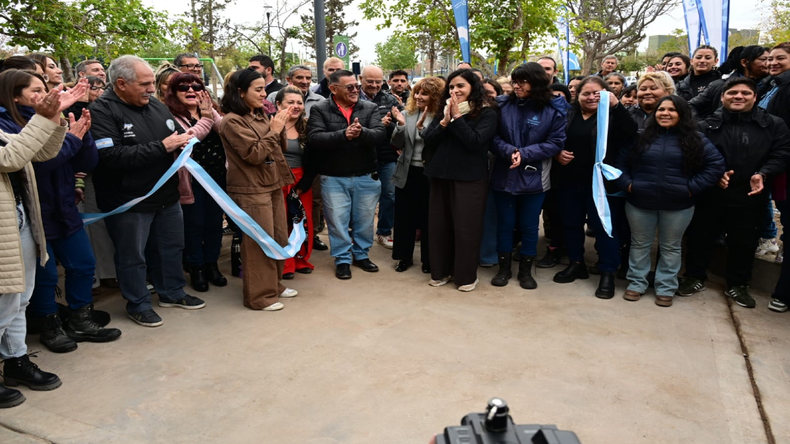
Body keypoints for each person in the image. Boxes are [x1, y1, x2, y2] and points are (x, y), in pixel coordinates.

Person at [0, 70, 121, 353]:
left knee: (83, 264)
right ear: (15, 96)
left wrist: (82, 136)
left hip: (64, 207)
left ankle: (81, 317)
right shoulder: (9, 125)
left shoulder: (51, 118)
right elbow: (34, 167)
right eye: (37, 90)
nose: (47, 95)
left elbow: (86, 162)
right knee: (45, 277)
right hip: (34, 213)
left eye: (47, 88)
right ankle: (49, 326)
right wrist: (70, 140)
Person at [89, 55, 206, 327]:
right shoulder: (102, 111)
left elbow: (175, 134)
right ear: (120, 84)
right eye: (144, 84)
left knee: (171, 247)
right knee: (133, 256)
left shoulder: (154, 104)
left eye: (152, 82)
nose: (152, 89)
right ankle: (138, 303)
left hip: (166, 195)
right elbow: (109, 157)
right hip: (128, 200)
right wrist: (163, 147)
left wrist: (182, 141)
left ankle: (172, 292)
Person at [680, 78, 790, 308]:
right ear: (722, 97)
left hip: (751, 194)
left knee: (744, 242)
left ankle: (738, 284)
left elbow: (781, 153)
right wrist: (713, 174)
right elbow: (693, 155)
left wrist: (764, 173)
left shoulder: (774, 124)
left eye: (745, 93)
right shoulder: (706, 125)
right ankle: (694, 277)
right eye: (733, 92)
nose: (738, 96)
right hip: (712, 193)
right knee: (701, 237)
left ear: (755, 97)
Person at [614, 96, 724, 307]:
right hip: (640, 202)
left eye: (672, 110)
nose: (665, 113)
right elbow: (619, 163)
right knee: (639, 244)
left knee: (671, 247)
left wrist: (691, 188)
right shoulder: (640, 137)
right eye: (661, 109)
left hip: (678, 206)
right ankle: (637, 284)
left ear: (681, 114)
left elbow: (715, 166)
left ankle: (666, 288)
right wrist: (628, 185)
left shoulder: (696, 139)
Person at [0, 77, 69, 407]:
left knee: (20, 295)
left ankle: (16, 361)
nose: (43, 93)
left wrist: (55, 116)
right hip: (4, 223)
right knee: (4, 300)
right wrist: (43, 117)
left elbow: (42, 151)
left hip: (19, 215)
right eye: (35, 89)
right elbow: (10, 158)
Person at [218, 68, 297, 310]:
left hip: (270, 183)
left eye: (264, 88)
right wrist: (275, 130)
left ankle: (273, 284)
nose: (265, 94)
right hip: (251, 189)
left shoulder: (260, 114)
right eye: (258, 89)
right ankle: (259, 297)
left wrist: (280, 126)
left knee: (278, 238)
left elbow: (276, 148)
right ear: (240, 92)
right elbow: (254, 154)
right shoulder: (232, 121)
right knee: (259, 242)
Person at [552, 76, 637, 298]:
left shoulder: (612, 115)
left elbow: (631, 132)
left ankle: (608, 272)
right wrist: (557, 153)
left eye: (596, 93)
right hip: (570, 180)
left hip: (601, 184)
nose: (591, 97)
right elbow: (553, 138)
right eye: (586, 93)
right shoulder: (567, 114)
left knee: (604, 228)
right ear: (577, 96)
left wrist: (615, 106)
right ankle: (576, 263)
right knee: (571, 224)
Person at [489, 63, 566, 289]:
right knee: (505, 224)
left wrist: (524, 154)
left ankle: (525, 270)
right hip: (504, 173)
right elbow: (492, 137)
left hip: (535, 177)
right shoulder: (502, 105)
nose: (516, 86)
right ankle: (503, 269)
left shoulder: (554, 109)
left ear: (537, 82)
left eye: (522, 81)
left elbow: (555, 142)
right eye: (514, 81)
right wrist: (510, 151)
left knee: (530, 226)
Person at [421, 69, 498, 292]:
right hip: (440, 176)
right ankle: (440, 271)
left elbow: (474, 142)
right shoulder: (443, 110)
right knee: (439, 227)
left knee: (466, 228)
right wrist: (445, 121)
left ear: (473, 87)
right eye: (452, 87)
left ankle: (465, 276)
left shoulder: (487, 112)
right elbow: (429, 140)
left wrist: (456, 118)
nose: (455, 91)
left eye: (461, 86)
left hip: (469, 179)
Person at [306, 69, 386, 279]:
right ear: (333, 89)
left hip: (366, 176)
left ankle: (361, 255)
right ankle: (342, 259)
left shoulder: (369, 107)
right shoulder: (319, 109)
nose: (355, 90)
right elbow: (314, 139)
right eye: (349, 87)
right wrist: (343, 134)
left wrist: (361, 133)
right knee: (337, 221)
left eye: (356, 86)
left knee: (365, 220)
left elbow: (380, 135)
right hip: (333, 177)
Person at [163, 72, 228, 292]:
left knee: (214, 223)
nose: (191, 90)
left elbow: (226, 133)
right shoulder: (169, 116)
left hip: (217, 176)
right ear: (173, 92)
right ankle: (196, 268)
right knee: (194, 225)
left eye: (196, 86)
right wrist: (207, 118)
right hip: (190, 181)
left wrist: (210, 113)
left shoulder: (210, 111)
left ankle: (212, 264)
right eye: (183, 87)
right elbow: (188, 139)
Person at [389, 77, 444, 273]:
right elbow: (396, 144)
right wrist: (401, 125)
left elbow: (439, 145)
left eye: (424, 93)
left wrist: (423, 129)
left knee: (430, 219)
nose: (419, 96)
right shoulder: (407, 113)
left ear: (435, 96)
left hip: (431, 174)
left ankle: (429, 260)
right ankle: (403, 257)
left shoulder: (441, 116)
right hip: (407, 172)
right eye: (417, 92)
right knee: (404, 218)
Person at [274, 86, 317, 278]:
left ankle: (300, 259)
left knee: (301, 222)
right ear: (278, 105)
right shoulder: (270, 124)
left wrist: (302, 186)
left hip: (301, 182)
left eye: (299, 102)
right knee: (280, 223)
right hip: (276, 180)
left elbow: (316, 160)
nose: (295, 106)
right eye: (290, 102)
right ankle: (285, 264)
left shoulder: (308, 127)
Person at [359, 65, 401, 250]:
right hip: (361, 157)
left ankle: (383, 232)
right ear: (361, 79)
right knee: (361, 199)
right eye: (370, 81)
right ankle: (359, 234)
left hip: (387, 156)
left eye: (378, 81)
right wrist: (376, 125)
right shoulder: (353, 98)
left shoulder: (390, 100)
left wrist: (389, 124)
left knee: (390, 196)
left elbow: (402, 127)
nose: (374, 85)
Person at [689, 46, 769, 119]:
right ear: (744, 62)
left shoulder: (773, 85)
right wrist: (700, 126)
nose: (769, 63)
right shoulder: (719, 85)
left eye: (770, 59)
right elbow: (690, 106)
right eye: (763, 59)